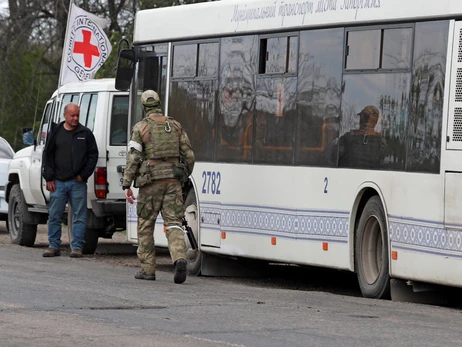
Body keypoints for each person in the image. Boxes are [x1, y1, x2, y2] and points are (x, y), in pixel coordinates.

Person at [123, 90, 195, 284]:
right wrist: (184, 174)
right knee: (174, 223)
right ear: (159, 104)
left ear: (144, 106)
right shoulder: (175, 126)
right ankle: (179, 258)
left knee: (146, 224)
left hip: (150, 184)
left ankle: (148, 270)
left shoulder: (141, 128)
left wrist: (127, 183)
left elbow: (133, 158)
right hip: (173, 182)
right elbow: (189, 155)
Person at [41, 103, 98, 258]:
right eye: (72, 115)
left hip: (77, 183)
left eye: (77, 115)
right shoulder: (56, 132)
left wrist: (83, 175)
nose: (75, 118)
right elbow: (47, 156)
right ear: (65, 115)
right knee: (54, 215)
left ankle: (77, 247)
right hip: (57, 182)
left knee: (80, 216)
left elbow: (93, 156)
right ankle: (53, 246)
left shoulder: (85, 133)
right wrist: (49, 177)